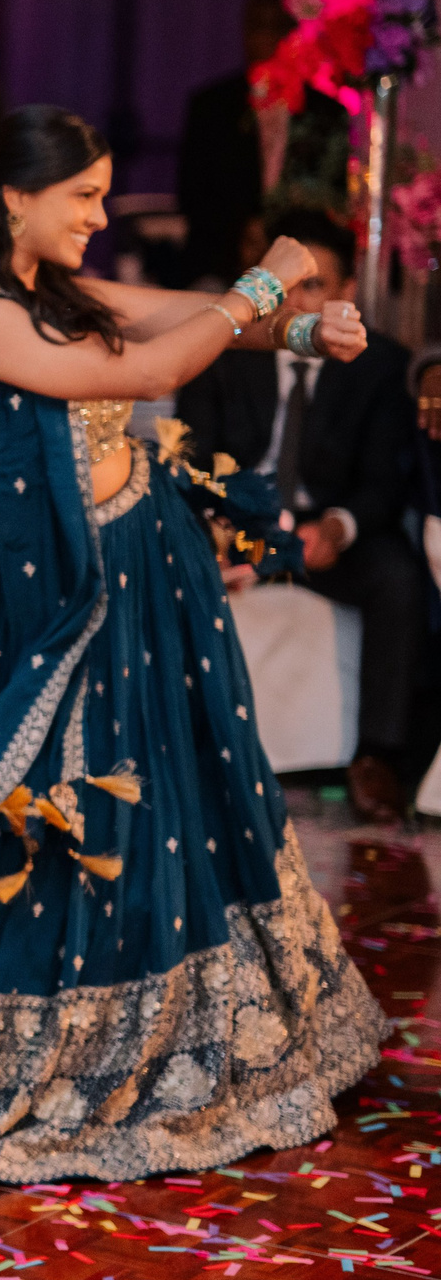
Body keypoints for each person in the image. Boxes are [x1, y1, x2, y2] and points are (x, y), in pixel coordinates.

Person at [0, 105, 384, 1182]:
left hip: (141, 568)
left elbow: (180, 317)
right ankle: (58, 1028)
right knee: (63, 807)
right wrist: (269, 280)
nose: (99, 215)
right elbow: (140, 375)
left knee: (171, 797)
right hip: (60, 606)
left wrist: (290, 326)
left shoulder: (49, 292)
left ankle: (190, 1003)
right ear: (14, 199)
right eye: (81, 197)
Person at [174, 207, 427, 821]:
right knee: (162, 550)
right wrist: (226, 527)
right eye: (280, 282)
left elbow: (385, 482)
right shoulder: (225, 350)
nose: (292, 298)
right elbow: (191, 453)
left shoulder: (381, 364)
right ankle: (182, 750)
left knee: (397, 576)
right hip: (236, 525)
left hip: (326, 531)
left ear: (345, 292)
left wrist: (337, 528)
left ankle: (377, 758)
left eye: (311, 284)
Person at [179, 0, 354, 286]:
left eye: (275, 27)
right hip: (220, 261)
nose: (265, 37)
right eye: (257, 26)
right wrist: (242, 232)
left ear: (292, 34)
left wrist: (280, 235)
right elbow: (193, 192)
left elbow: (333, 197)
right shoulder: (211, 105)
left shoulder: (326, 112)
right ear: (244, 32)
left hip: (301, 261)